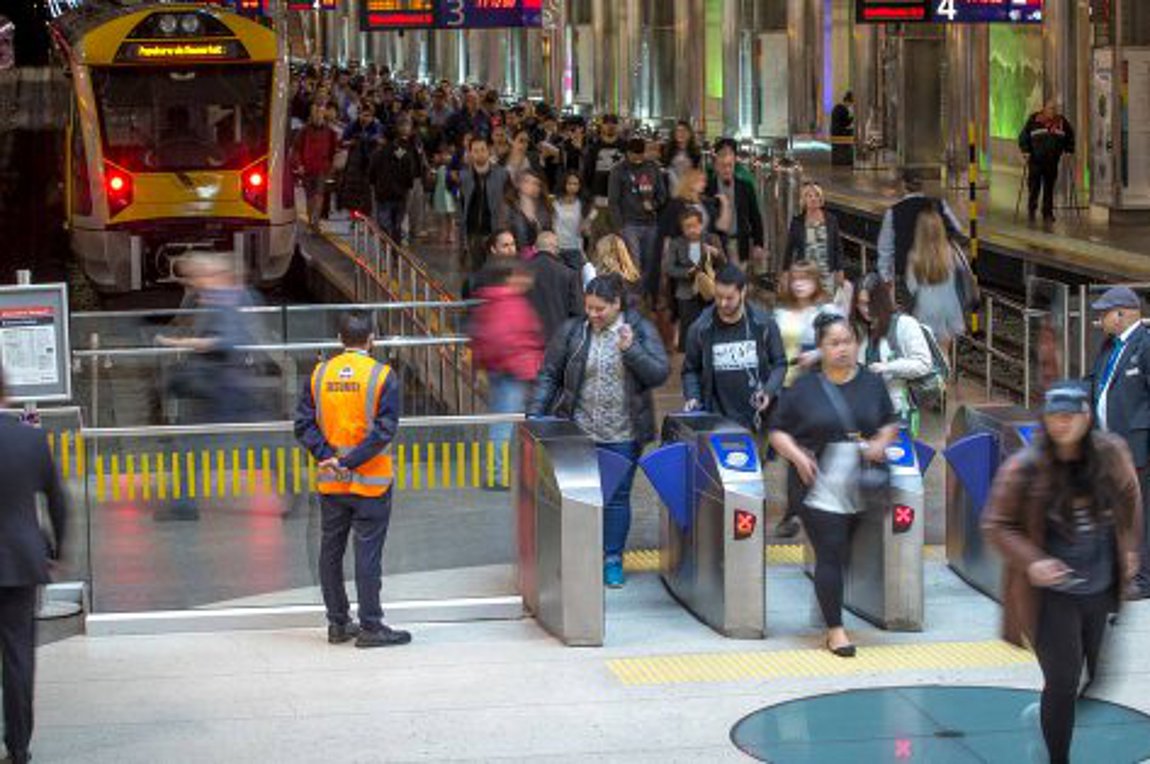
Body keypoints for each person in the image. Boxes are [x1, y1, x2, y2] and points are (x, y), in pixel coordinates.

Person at [982, 380, 1143, 764]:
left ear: (1087, 418)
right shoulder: (1027, 465)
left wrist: (1132, 548)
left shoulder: (1110, 453)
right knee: (1063, 679)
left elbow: (1131, 495)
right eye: (1055, 417)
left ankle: (1050, 715)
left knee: (1099, 675)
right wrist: (1033, 561)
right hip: (1049, 594)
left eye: (1071, 417)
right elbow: (996, 523)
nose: (1063, 425)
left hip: (1100, 582)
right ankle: (1058, 755)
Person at [769, 311, 900, 657]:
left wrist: (880, 443)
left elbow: (890, 422)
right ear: (822, 348)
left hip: (861, 485)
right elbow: (778, 431)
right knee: (829, 552)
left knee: (842, 556)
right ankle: (835, 630)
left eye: (848, 342)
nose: (842, 349)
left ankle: (827, 604)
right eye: (834, 343)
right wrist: (797, 456)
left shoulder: (872, 383)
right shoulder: (805, 387)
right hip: (818, 483)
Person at [529, 274, 670, 588]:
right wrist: (535, 415)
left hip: (623, 433)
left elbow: (659, 373)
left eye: (600, 309)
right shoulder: (573, 331)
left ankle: (612, 559)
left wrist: (631, 350)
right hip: (579, 434)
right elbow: (550, 374)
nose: (592, 315)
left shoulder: (639, 330)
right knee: (578, 496)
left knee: (617, 498)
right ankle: (580, 556)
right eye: (589, 308)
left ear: (617, 304)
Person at [294, 310, 410, 648]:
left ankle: (338, 623)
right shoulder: (382, 376)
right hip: (371, 483)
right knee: (367, 554)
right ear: (371, 338)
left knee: (330, 551)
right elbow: (384, 431)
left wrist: (329, 458)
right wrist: (352, 461)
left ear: (339, 339)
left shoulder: (319, 375)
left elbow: (303, 424)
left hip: (331, 482)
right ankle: (372, 626)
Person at [0, 370, 68, 764]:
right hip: (21, 563)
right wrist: (58, 548)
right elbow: (58, 500)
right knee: (18, 657)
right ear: (5, 393)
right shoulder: (30, 438)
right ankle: (19, 747)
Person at [1088, 286, 1150, 600]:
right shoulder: (1110, 347)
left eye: (1105, 313)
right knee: (1118, 509)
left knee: (1143, 512)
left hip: (1138, 449)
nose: (1100, 319)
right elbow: (1093, 381)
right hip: (1110, 448)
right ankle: (1121, 570)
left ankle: (1144, 578)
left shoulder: (1146, 345)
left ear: (1123, 313)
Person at [682, 263, 787, 434]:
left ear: (743, 292)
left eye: (729, 298)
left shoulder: (764, 323)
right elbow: (690, 370)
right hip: (717, 422)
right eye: (718, 297)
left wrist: (768, 391)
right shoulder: (700, 328)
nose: (722, 303)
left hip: (757, 419)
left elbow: (780, 363)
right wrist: (693, 396)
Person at [470, 262, 545, 489]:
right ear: (513, 277)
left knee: (500, 423)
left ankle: (498, 472)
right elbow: (507, 339)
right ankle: (496, 475)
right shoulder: (511, 303)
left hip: (500, 370)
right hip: (512, 372)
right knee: (503, 425)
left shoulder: (493, 300)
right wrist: (523, 358)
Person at [852, 272, 933, 435]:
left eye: (870, 304)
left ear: (881, 301)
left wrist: (888, 367)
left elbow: (924, 364)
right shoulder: (859, 327)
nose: (865, 310)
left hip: (897, 413)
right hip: (864, 412)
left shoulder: (904, 325)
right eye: (860, 304)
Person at [877, 169, 964, 290]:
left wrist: (886, 278)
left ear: (903, 185)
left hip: (908, 276)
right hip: (941, 271)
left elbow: (885, 250)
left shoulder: (894, 212)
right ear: (922, 186)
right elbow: (957, 230)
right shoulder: (939, 204)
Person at [609, 136, 667, 303]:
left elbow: (662, 195)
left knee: (650, 261)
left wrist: (654, 204)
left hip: (650, 223)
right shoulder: (618, 171)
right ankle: (633, 298)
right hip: (629, 224)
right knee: (633, 262)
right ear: (628, 153)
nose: (638, 158)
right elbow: (613, 201)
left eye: (641, 154)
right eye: (635, 155)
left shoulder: (653, 168)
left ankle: (646, 294)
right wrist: (619, 227)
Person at [664, 209, 725, 351]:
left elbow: (723, 264)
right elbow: (669, 268)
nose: (692, 230)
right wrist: (687, 272)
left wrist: (715, 252)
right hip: (686, 293)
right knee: (688, 329)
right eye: (687, 227)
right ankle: (686, 361)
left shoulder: (711, 238)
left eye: (695, 225)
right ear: (682, 228)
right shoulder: (676, 243)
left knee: (710, 325)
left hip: (708, 290)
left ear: (701, 224)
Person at [906, 209, 965, 355]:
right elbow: (962, 274)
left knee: (926, 353)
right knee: (944, 351)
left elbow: (911, 286)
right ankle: (945, 377)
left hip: (926, 307)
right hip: (949, 307)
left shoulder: (915, 256)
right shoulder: (952, 252)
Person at [783, 182, 846, 305]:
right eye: (809, 196)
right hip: (807, 273)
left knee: (826, 308)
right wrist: (785, 272)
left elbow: (837, 247)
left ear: (821, 199)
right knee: (808, 306)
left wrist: (840, 270)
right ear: (804, 200)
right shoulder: (797, 222)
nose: (813, 199)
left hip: (827, 273)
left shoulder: (831, 219)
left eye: (816, 195)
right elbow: (789, 249)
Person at [706, 139, 765, 267]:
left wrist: (758, 244)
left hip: (738, 244)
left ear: (734, 164)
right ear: (716, 166)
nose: (727, 170)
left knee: (738, 284)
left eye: (730, 166)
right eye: (723, 166)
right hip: (716, 245)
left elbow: (755, 217)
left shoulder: (745, 187)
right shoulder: (708, 188)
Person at [368, 115, 426, 244]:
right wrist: (407, 184)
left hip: (384, 192)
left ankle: (388, 244)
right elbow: (407, 166)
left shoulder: (379, 152)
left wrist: (373, 183)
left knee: (386, 221)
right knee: (398, 222)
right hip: (399, 192)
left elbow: (372, 172)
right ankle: (396, 245)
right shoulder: (398, 150)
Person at [458, 136, 510, 273]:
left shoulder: (502, 174)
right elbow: (461, 206)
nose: (479, 153)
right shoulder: (464, 176)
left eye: (483, 149)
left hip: (494, 230)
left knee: (496, 270)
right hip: (472, 232)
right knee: (476, 270)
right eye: (475, 150)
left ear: (489, 151)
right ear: (470, 153)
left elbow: (509, 202)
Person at [1019, 99, 1075, 223]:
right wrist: (1025, 150)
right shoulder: (1034, 120)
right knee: (1034, 187)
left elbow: (1070, 136)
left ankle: (1047, 212)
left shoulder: (1061, 122)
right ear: (1044, 109)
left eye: (1055, 108)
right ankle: (1032, 209)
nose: (1053, 111)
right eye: (1050, 108)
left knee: (1049, 188)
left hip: (1052, 161)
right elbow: (1023, 136)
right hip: (1035, 161)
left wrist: (1069, 150)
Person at [527, 230, 585, 339]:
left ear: (534, 249)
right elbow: (578, 312)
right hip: (558, 340)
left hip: (528, 339)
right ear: (556, 250)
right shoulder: (569, 274)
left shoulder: (520, 272)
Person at [291, 104, 339, 229]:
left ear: (324, 115)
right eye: (315, 113)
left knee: (319, 195)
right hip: (306, 168)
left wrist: (331, 166)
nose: (318, 115)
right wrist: (299, 164)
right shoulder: (304, 131)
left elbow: (333, 150)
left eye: (320, 113)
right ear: (312, 115)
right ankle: (310, 220)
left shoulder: (330, 132)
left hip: (322, 169)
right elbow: (296, 149)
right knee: (310, 197)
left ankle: (315, 221)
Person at [552, 170, 594, 272]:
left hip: (575, 248)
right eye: (569, 183)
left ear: (580, 186)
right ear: (564, 184)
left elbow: (587, 232)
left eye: (575, 184)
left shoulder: (584, 205)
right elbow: (552, 226)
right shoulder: (555, 203)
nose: (572, 186)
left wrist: (587, 225)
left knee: (575, 280)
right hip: (558, 248)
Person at [504, 168, 554, 252]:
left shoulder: (544, 208)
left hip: (540, 256)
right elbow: (502, 234)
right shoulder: (509, 206)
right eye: (527, 181)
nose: (531, 186)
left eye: (535, 183)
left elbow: (549, 234)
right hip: (516, 256)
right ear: (518, 184)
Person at [661, 120, 702, 190]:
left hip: (689, 189)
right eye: (678, 131)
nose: (681, 134)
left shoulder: (695, 152)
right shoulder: (669, 150)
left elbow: (697, 171)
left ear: (689, 134)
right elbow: (665, 168)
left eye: (684, 131)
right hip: (672, 189)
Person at [830, 91, 855, 167]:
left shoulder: (837, 107)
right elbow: (846, 123)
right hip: (840, 132)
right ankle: (848, 157)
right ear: (847, 101)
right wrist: (852, 117)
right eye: (850, 104)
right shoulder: (844, 109)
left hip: (833, 132)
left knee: (850, 131)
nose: (850, 106)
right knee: (852, 132)